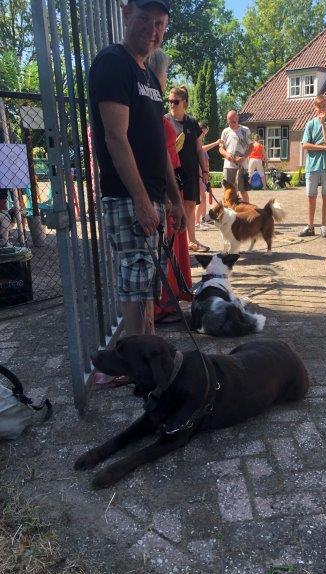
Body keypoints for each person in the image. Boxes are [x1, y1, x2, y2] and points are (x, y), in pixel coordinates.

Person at [89, 0, 186, 345]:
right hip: (128, 196)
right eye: (146, 19)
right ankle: (135, 360)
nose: (153, 30)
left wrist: (174, 199)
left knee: (147, 281)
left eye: (161, 23)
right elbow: (115, 137)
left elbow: (160, 147)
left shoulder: (149, 77)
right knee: (134, 280)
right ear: (127, 14)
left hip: (153, 196)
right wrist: (142, 202)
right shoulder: (113, 63)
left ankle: (150, 349)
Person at [148, 49, 192, 324]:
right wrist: (172, 200)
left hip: (161, 190)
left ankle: (164, 302)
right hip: (162, 192)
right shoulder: (158, 118)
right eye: (165, 73)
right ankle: (162, 304)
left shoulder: (152, 113)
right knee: (165, 250)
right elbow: (166, 164)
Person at [166, 86, 210, 252]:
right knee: (173, 206)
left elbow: (199, 149)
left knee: (190, 206)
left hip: (190, 172)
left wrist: (204, 171)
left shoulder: (192, 122)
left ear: (184, 103)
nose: (172, 104)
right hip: (171, 172)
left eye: (175, 101)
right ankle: (176, 245)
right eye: (169, 101)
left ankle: (192, 241)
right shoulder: (164, 120)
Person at [299, 95, 326, 238]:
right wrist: (322, 148)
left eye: (324, 106)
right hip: (312, 166)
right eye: (319, 106)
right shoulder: (309, 124)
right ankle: (310, 227)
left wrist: (323, 125)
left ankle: (323, 225)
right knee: (311, 197)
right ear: (315, 108)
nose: (321, 109)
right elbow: (305, 145)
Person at [219, 110, 253, 203]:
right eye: (229, 122)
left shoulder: (245, 130)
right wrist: (227, 155)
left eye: (234, 122)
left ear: (238, 119)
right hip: (228, 166)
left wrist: (244, 157)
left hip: (242, 166)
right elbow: (221, 149)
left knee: (243, 191)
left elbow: (251, 147)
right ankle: (227, 212)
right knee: (227, 191)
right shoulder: (225, 132)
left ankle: (246, 211)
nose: (231, 124)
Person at [195, 122, 221, 230]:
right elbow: (202, 149)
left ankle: (202, 219)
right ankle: (196, 222)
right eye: (203, 133)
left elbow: (206, 162)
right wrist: (216, 143)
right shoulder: (196, 143)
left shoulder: (200, 142)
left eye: (205, 133)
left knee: (204, 198)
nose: (204, 135)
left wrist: (208, 174)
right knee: (201, 198)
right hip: (197, 176)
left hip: (203, 176)